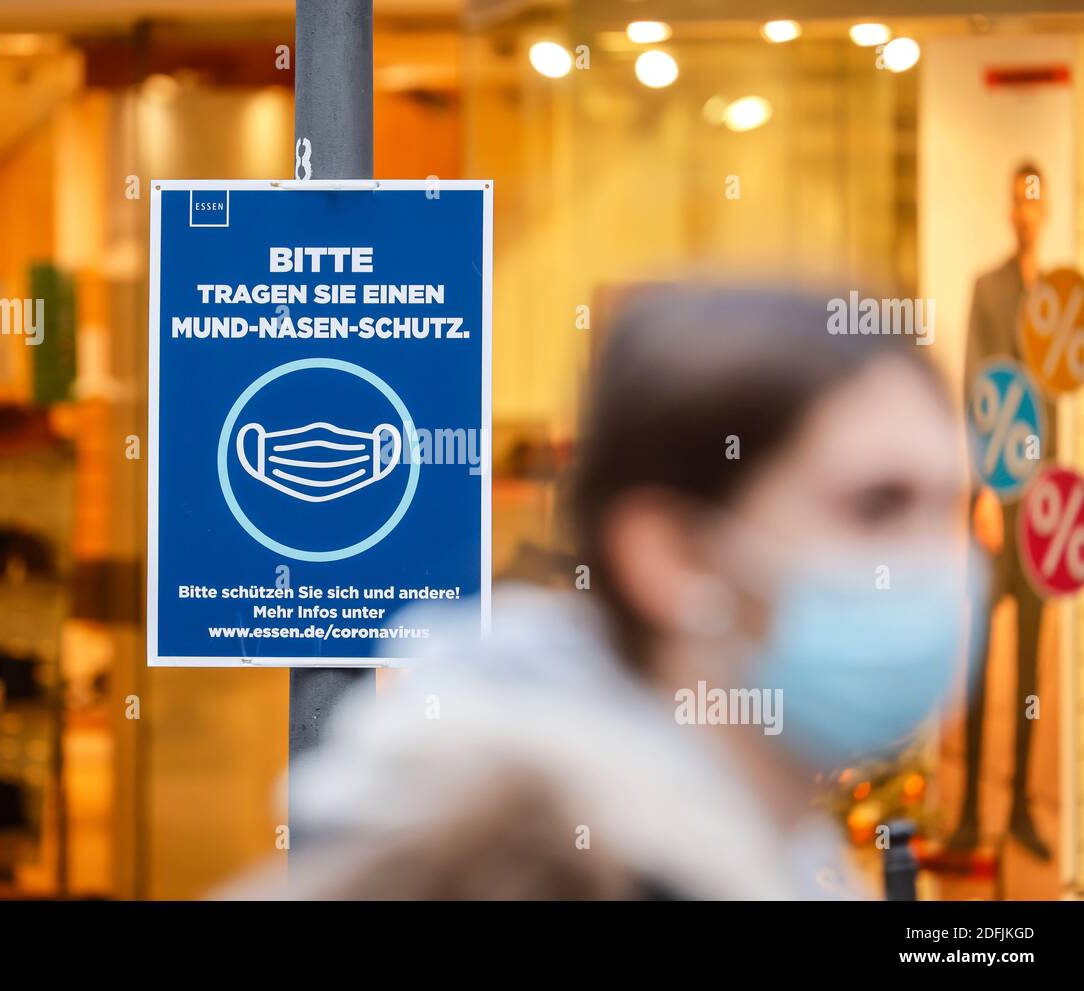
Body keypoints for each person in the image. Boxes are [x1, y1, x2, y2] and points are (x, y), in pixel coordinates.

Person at [236, 283, 984, 900]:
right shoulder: (511, 872)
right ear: (674, 553)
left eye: (947, 507)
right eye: (876, 506)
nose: (936, 565)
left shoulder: (768, 856)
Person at [952, 161, 1051, 859]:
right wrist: (984, 488)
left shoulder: (1059, 297)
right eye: (1018, 196)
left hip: (1045, 505)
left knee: (1030, 672)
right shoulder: (989, 289)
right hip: (999, 499)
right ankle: (966, 812)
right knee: (983, 657)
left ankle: (1019, 809)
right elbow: (976, 390)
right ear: (1008, 205)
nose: (1026, 209)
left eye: (1034, 198)